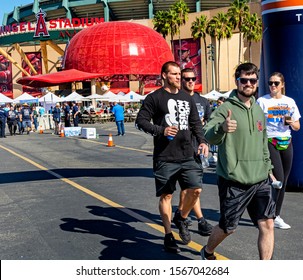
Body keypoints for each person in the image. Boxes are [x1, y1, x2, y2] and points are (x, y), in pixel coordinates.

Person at [201, 62, 276, 260]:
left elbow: (263, 142)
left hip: (260, 178)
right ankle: (207, 251)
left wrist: (268, 167)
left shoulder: (259, 109)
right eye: (244, 80)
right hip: (234, 180)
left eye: (252, 80)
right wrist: (222, 128)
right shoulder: (225, 108)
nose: (248, 83)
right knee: (228, 227)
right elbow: (208, 134)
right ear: (237, 82)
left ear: (257, 82)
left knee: (267, 223)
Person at [135, 61, 209, 253]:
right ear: (164, 76)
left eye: (179, 74)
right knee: (167, 195)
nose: (179, 77)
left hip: (188, 154)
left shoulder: (187, 97)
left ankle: (182, 217)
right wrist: (161, 130)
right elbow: (141, 120)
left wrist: (202, 140)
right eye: (174, 74)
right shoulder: (154, 98)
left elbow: (195, 123)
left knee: (196, 190)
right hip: (165, 156)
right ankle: (168, 235)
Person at [257, 72, 301, 230]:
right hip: (270, 140)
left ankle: (275, 214)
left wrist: (289, 121)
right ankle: (272, 214)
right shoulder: (262, 101)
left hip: (286, 141)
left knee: (284, 181)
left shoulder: (289, 102)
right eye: (270, 83)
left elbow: (297, 127)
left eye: (276, 83)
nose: (272, 86)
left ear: (282, 85)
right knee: (279, 179)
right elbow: (256, 123)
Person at [173, 67, 212, 236]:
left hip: (198, 147)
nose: (190, 81)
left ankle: (182, 215)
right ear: (181, 80)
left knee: (192, 188)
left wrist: (206, 141)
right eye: (187, 79)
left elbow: (210, 123)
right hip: (181, 148)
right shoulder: (176, 99)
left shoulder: (203, 101)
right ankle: (199, 219)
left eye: (193, 79)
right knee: (189, 187)